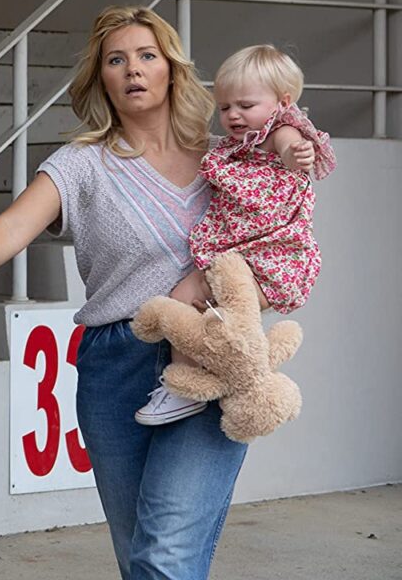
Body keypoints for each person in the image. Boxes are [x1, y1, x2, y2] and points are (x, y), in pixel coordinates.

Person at [0, 6, 249, 578]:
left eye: (147, 56)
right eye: (116, 60)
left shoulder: (225, 161)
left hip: (208, 356)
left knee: (164, 555)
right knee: (138, 557)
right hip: (113, 366)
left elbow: (280, 235)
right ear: (101, 78)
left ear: (172, 69)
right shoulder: (81, 164)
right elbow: (14, 225)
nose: (133, 69)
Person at [135, 43, 334, 425]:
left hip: (272, 256)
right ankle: (184, 383)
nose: (233, 115)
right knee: (184, 298)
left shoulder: (282, 131)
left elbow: (290, 147)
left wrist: (296, 154)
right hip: (234, 254)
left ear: (282, 102)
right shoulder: (236, 148)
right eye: (225, 107)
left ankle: (247, 386)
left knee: (229, 320)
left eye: (245, 105)